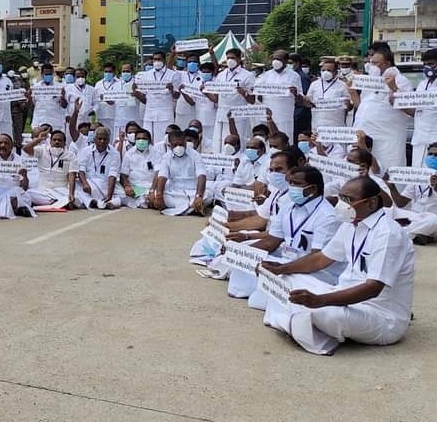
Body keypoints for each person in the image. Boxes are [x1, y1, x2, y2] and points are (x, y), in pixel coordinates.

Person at [260, 176, 416, 355]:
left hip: (379, 315)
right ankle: (301, 322)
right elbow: (321, 259)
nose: (341, 204)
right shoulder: (351, 224)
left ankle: (303, 323)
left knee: (327, 314)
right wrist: (280, 269)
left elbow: (373, 288)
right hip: (341, 294)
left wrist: (320, 301)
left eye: (348, 199)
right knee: (286, 278)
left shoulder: (388, 234)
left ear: (371, 203)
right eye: (341, 197)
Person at [225, 166, 340, 306]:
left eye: (297, 184)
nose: (292, 187)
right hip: (286, 259)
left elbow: (317, 259)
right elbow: (271, 242)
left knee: (285, 279)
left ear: (313, 189)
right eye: (290, 183)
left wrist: (282, 268)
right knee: (248, 258)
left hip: (315, 270)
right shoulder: (288, 207)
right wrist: (240, 251)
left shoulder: (327, 216)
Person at [384, 142, 437, 244]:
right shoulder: (420, 175)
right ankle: (420, 235)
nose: (432, 157)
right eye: (430, 154)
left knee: (432, 220)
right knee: (387, 210)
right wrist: (391, 187)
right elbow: (401, 203)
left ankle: (398, 235)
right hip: (418, 218)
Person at [351, 45, 411, 170]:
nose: (371, 66)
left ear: (387, 63)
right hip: (365, 136)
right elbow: (362, 106)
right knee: (362, 171)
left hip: (387, 138)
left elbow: (408, 107)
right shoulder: (371, 82)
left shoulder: (401, 81)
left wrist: (394, 88)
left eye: (375, 63)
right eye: (370, 63)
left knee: (387, 170)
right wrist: (351, 91)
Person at [401, 49, 437, 167]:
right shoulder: (423, 85)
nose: (427, 67)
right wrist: (399, 105)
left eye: (431, 64)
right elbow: (417, 112)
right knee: (419, 180)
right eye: (425, 64)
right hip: (420, 140)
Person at [149, 130, 207, 216]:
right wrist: (159, 195)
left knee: (208, 194)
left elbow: (201, 176)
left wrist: (198, 196)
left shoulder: (195, 155)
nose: (178, 147)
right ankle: (192, 208)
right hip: (174, 192)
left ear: (185, 143)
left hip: (193, 191)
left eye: (181, 144)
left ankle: (190, 206)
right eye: (175, 145)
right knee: (157, 195)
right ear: (170, 145)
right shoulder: (166, 157)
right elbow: (162, 177)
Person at [0, 133, 34, 219]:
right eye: (0, 143)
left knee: (25, 197)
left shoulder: (20, 160)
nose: (3, 145)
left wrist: (25, 176)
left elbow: (25, 187)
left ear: (12, 146)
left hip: (12, 194)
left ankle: (9, 207)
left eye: (6, 143)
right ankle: (14, 209)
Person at [209, 48, 256, 149]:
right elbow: (216, 99)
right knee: (219, 143)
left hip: (238, 116)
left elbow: (252, 100)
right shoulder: (221, 75)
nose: (230, 60)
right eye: (228, 58)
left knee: (237, 143)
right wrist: (205, 92)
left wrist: (244, 94)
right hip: (221, 115)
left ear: (239, 59)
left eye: (233, 58)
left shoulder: (248, 75)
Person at [69, 126, 121, 210]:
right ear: (94, 139)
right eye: (99, 138)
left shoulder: (115, 153)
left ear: (109, 140)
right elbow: (81, 170)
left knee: (122, 195)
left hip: (105, 184)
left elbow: (113, 174)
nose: (102, 141)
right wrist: (85, 183)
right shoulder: (86, 151)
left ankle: (97, 201)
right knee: (73, 185)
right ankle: (96, 202)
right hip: (88, 183)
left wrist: (109, 194)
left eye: (105, 139)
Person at [255, 49, 304, 138]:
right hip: (266, 116)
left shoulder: (294, 76)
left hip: (284, 116)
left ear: (285, 61)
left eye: (279, 59)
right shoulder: (265, 75)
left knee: (284, 141)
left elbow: (300, 99)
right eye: (274, 59)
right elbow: (257, 93)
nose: (275, 61)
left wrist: (296, 93)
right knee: (266, 142)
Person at [134, 51, 178, 143]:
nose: (157, 61)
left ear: (164, 60)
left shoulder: (173, 74)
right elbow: (144, 100)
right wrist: (136, 92)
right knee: (149, 140)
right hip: (150, 114)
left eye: (159, 59)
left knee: (166, 140)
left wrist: (172, 90)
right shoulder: (146, 75)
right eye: (155, 59)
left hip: (166, 114)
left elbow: (177, 96)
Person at [24, 129, 75, 208]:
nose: (57, 142)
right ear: (50, 142)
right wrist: (38, 139)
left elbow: (72, 175)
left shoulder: (70, 155)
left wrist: (71, 193)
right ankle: (57, 202)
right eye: (54, 140)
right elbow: (26, 149)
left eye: (59, 140)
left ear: (65, 143)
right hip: (43, 190)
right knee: (28, 193)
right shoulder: (42, 150)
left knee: (73, 196)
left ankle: (52, 202)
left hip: (60, 190)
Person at [302, 58, 352, 129]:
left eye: (329, 70)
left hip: (336, 125)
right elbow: (308, 103)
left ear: (335, 72)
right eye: (323, 70)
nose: (325, 72)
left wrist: (347, 104)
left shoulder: (343, 85)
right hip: (317, 123)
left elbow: (349, 106)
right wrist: (305, 101)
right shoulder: (314, 84)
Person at [119, 129, 157, 209]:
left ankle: (143, 200)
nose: (141, 141)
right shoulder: (129, 153)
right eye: (138, 139)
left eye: (144, 139)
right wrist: (126, 186)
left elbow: (158, 173)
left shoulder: (156, 153)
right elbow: (123, 174)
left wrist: (152, 190)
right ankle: (144, 201)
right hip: (134, 188)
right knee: (116, 190)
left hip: (150, 187)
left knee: (161, 194)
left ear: (149, 141)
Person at [29, 64, 68, 137]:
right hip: (39, 121)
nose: (48, 76)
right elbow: (31, 106)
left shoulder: (59, 87)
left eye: (50, 74)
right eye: (46, 74)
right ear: (42, 74)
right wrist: (29, 97)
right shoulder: (35, 87)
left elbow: (64, 106)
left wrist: (63, 97)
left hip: (55, 122)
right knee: (38, 145)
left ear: (53, 73)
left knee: (55, 144)